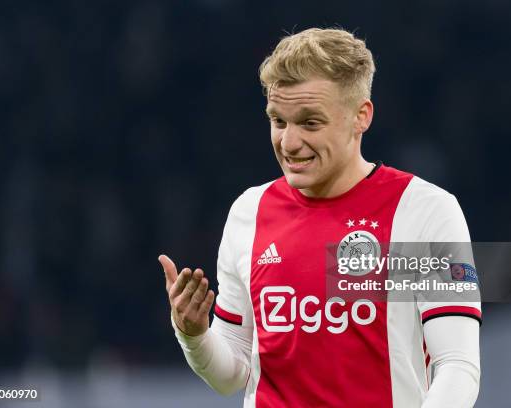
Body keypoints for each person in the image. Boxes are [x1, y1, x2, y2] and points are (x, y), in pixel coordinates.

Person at [159, 27, 481, 407]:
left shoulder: (423, 212)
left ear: (361, 116)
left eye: (310, 123)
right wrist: (193, 336)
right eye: (279, 121)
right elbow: (233, 373)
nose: (289, 143)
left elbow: (456, 366)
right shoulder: (249, 213)